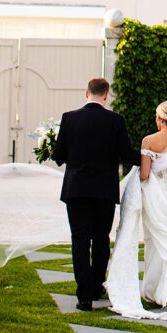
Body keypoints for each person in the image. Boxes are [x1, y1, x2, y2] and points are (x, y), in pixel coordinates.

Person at [52, 77, 140, 311]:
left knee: (79, 240)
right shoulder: (115, 120)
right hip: (104, 191)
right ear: (106, 95)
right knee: (101, 239)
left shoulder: (69, 118)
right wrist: (149, 155)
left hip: (76, 190)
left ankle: (84, 296)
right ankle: (96, 286)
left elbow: (59, 157)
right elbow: (126, 154)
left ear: (86, 93)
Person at [105, 100, 167, 319]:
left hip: (156, 197)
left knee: (154, 242)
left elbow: (144, 174)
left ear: (160, 119)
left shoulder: (149, 141)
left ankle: (152, 292)